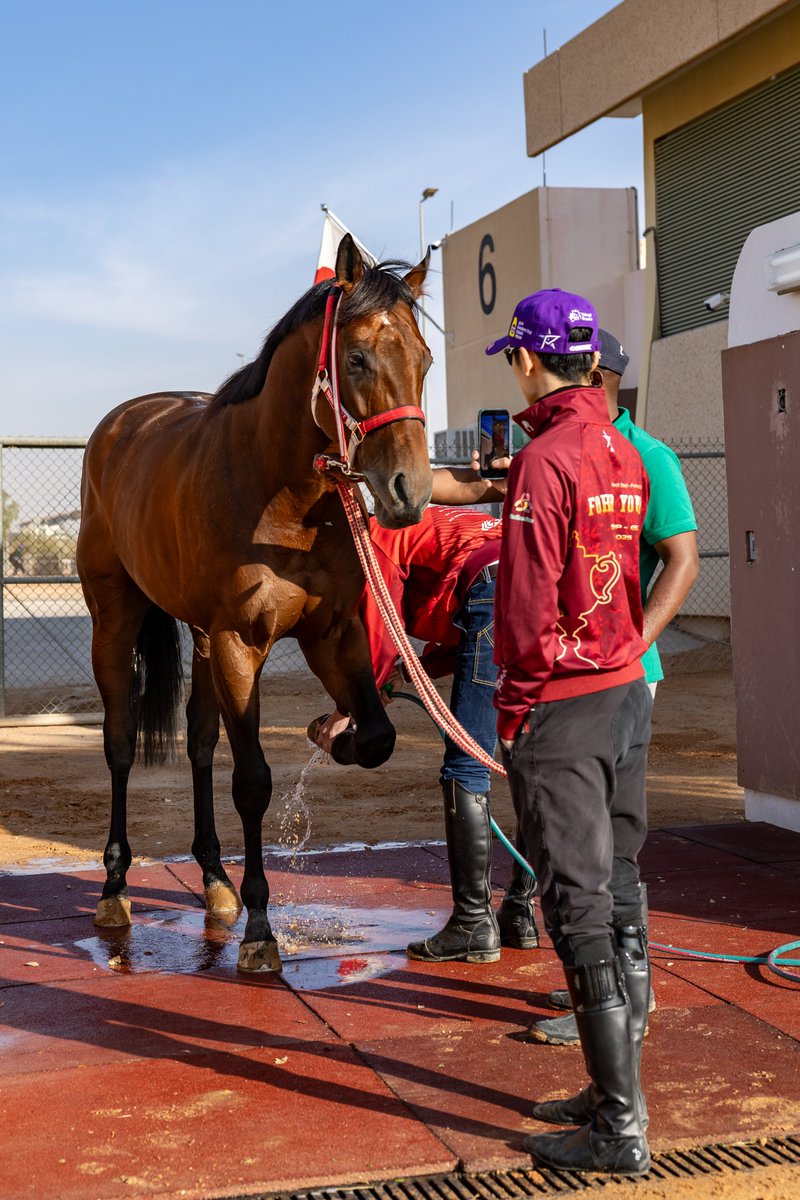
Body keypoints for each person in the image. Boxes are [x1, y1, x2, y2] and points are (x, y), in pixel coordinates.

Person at [486, 288, 653, 1175]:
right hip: (625, 691)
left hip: (565, 701)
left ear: (526, 360)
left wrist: (517, 712)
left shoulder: (542, 460)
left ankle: (618, 1130)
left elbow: (523, 610)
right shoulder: (621, 449)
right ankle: (608, 1093)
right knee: (615, 885)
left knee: (577, 905)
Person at [531, 327, 699, 1047]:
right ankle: (624, 1003)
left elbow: (683, 560)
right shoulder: (573, 450)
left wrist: (634, 643)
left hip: (613, 682)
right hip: (581, 680)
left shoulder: (643, 456)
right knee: (594, 848)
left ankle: (618, 1007)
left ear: (594, 373)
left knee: (597, 850)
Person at [308, 504, 539, 964]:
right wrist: (408, 675)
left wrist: (346, 710)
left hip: (492, 593)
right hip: (539, 592)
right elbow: (463, 637)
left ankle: (473, 924)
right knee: (532, 761)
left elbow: (378, 630)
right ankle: (520, 911)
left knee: (467, 765)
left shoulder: (373, 538)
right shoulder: (445, 525)